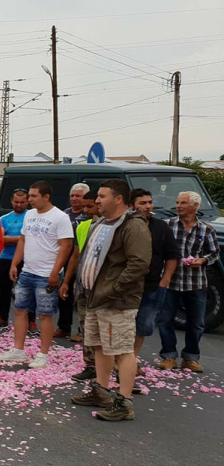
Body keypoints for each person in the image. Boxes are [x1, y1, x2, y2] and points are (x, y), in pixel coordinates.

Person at [69, 180, 151, 421]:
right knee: (99, 345)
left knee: (122, 350)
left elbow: (139, 264)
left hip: (117, 300)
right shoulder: (102, 223)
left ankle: (124, 402)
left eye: (102, 196)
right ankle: (101, 390)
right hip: (95, 296)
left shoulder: (133, 226)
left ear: (118, 199)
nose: (96, 200)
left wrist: (113, 289)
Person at [0, 181, 74, 369]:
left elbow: (66, 246)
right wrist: (15, 263)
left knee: (45, 315)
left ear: (46, 197)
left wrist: (55, 272)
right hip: (27, 271)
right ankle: (18, 350)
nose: (29, 200)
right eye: (29, 196)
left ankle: (43, 354)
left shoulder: (60, 217)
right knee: (20, 310)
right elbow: (23, 240)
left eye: (33, 196)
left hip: (46, 274)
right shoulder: (29, 215)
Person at [157, 191, 220, 373]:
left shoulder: (206, 229)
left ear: (195, 206)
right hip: (170, 280)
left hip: (196, 283)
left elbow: (214, 252)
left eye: (183, 203)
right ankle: (168, 356)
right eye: (177, 202)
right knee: (165, 319)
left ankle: (191, 358)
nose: (178, 206)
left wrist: (202, 260)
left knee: (196, 322)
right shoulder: (167, 226)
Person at [129, 189, 179, 373]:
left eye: (150, 202)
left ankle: (131, 360)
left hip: (152, 287)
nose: (148, 206)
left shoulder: (161, 227)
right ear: (131, 206)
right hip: (127, 286)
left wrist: (164, 281)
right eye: (143, 203)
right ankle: (120, 361)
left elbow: (172, 256)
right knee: (123, 325)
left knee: (142, 326)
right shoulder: (126, 225)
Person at [61, 192, 100, 381]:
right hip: (84, 285)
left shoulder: (115, 227)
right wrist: (67, 281)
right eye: (84, 207)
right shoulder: (83, 226)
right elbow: (75, 256)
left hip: (103, 288)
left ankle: (112, 366)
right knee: (86, 326)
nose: (85, 211)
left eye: (90, 207)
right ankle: (90, 364)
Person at [0, 188, 29, 330]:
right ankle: (2, 318)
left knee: (28, 291)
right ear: (11, 200)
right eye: (16, 202)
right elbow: (1, 240)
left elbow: (32, 239)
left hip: (27, 259)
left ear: (27, 201)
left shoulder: (31, 217)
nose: (19, 205)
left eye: (22, 202)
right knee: (4, 290)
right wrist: (22, 238)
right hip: (6, 258)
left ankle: (31, 321)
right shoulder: (4, 219)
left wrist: (13, 239)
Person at [56, 183, 92, 337]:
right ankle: (64, 327)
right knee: (64, 294)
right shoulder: (64, 214)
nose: (75, 198)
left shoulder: (90, 216)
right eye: (72, 195)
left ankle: (82, 331)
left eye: (79, 196)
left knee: (83, 298)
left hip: (84, 261)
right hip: (65, 259)